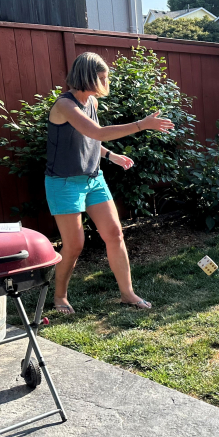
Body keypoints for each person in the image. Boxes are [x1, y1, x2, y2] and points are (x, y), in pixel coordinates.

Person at [45, 52, 174, 314]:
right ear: (88, 77)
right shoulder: (64, 106)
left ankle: (128, 294)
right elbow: (97, 132)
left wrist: (110, 155)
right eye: (102, 77)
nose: (106, 82)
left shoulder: (90, 101)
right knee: (75, 244)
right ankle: (60, 296)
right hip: (64, 182)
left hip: (93, 178)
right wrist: (142, 124)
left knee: (114, 233)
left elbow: (91, 140)